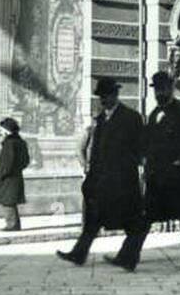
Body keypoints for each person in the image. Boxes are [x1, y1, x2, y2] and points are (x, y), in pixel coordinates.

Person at [111, 70, 180, 272]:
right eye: (157, 89)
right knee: (145, 217)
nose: (159, 93)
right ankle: (127, 257)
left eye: (163, 88)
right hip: (159, 178)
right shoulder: (154, 114)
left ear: (171, 89)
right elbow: (147, 144)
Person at [57, 77, 144, 267]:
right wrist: (90, 177)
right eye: (100, 97)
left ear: (115, 95)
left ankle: (128, 257)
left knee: (132, 222)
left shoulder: (131, 117)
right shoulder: (101, 120)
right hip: (101, 180)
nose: (103, 100)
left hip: (123, 181)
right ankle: (79, 254)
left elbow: (140, 148)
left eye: (106, 96)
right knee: (93, 220)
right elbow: (95, 151)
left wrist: (126, 166)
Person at [0, 116, 29, 232]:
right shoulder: (20, 141)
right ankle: (14, 223)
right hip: (16, 176)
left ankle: (12, 224)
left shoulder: (9, 143)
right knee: (11, 200)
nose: (0, 132)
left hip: (8, 178)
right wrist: (17, 169)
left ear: (6, 130)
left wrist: (2, 174)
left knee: (7, 201)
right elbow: (25, 161)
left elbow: (7, 162)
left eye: (1, 129)